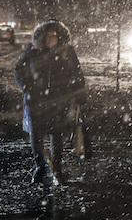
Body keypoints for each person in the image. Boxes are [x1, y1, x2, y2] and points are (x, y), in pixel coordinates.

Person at [14, 19, 87, 186]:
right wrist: (27, 87)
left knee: (56, 136)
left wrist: (79, 97)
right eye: (47, 36)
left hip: (58, 102)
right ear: (41, 36)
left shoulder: (67, 52)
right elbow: (18, 69)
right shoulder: (33, 51)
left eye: (54, 35)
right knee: (36, 137)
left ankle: (57, 169)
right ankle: (39, 167)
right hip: (36, 102)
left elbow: (77, 74)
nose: (50, 39)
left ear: (60, 37)